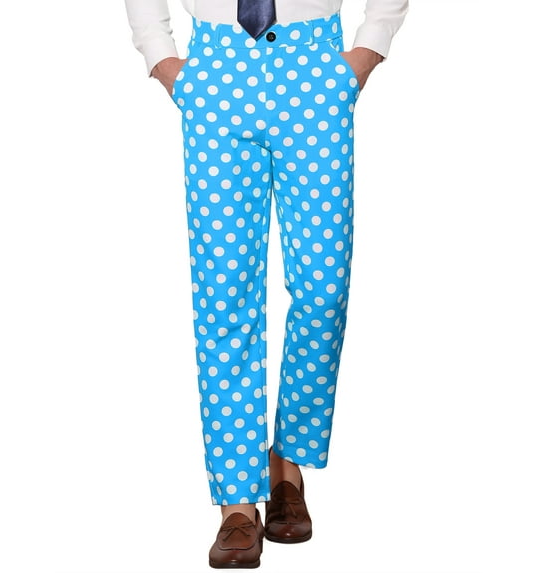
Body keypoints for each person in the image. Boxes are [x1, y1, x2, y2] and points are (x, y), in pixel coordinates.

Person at [124, 0, 408, 568]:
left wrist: (368, 48)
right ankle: (236, 501)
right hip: (217, 71)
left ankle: (288, 462)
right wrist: (161, 57)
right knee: (223, 295)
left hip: (314, 70)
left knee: (323, 290)